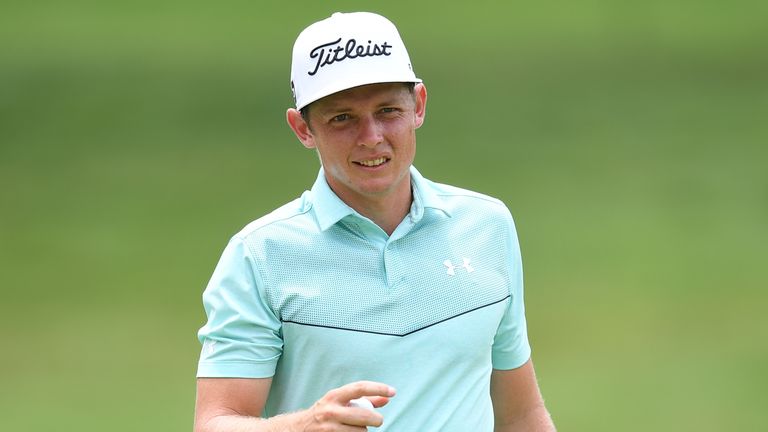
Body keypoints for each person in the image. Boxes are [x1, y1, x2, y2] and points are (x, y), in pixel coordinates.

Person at [194, 11, 555, 432]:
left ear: (418, 105)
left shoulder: (486, 225)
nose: (371, 137)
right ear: (303, 129)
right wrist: (303, 426)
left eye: (387, 110)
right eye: (341, 118)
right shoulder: (260, 255)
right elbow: (216, 422)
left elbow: (521, 416)